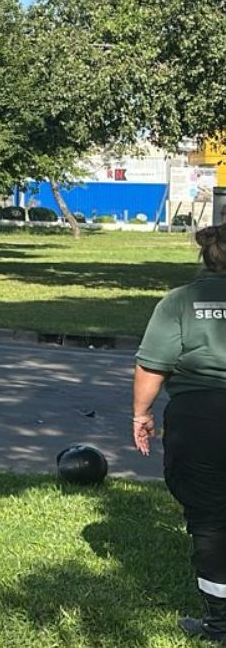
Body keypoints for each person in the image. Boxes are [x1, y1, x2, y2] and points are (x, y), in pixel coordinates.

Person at [134, 224, 226, 642]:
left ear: (206, 255)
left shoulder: (180, 303)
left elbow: (152, 365)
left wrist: (142, 414)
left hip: (199, 417)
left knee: (208, 516)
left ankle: (219, 621)